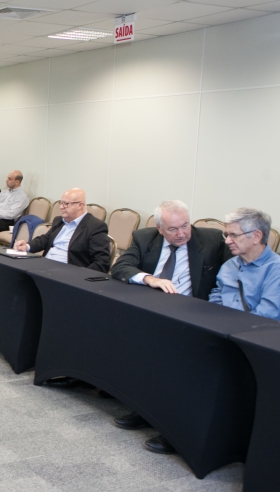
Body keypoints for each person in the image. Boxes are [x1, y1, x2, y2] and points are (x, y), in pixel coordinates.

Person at [109, 199, 232, 455]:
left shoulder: (212, 240)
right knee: (131, 344)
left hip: (193, 316)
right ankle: (144, 411)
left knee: (175, 360)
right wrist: (149, 278)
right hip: (153, 311)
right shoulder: (145, 238)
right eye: (173, 229)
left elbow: (237, 270)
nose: (182, 234)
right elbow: (121, 266)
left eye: (185, 226)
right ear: (160, 228)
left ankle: (172, 427)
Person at [14, 188, 110, 272]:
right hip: (45, 266)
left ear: (80, 205)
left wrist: (81, 278)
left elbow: (102, 262)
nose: (61, 207)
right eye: (61, 203)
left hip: (68, 273)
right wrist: (27, 246)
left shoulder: (95, 226)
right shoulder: (59, 220)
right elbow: (45, 239)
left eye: (66, 204)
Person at [210, 207, 280, 320]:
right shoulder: (229, 265)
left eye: (234, 235)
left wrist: (230, 325)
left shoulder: (275, 269)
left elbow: (268, 314)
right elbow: (216, 295)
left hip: (252, 329)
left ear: (256, 236)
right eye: (227, 235)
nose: (227, 241)